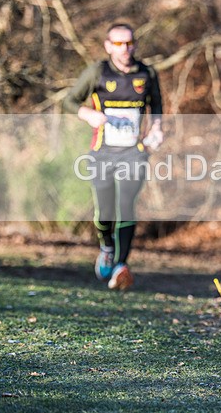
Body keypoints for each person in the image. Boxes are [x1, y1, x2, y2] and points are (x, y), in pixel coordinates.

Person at [64, 23, 164, 290]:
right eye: (118, 44)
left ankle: (121, 265)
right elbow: (70, 101)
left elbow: (157, 107)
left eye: (129, 43)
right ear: (108, 46)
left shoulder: (147, 73)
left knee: (127, 204)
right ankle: (107, 246)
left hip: (134, 152)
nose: (125, 49)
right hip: (102, 152)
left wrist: (156, 130)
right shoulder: (98, 71)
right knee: (105, 209)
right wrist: (89, 114)